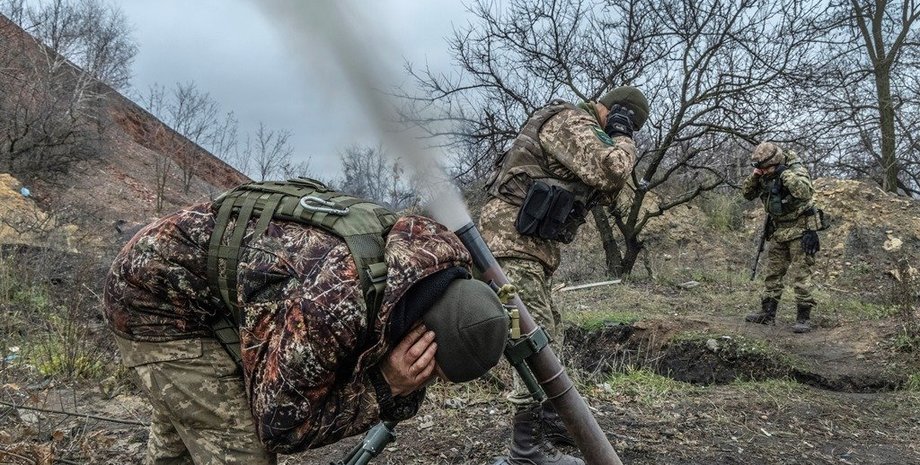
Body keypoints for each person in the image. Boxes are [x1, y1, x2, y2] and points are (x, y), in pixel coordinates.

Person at [103, 181, 510, 465]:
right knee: (240, 450)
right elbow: (280, 425)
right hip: (155, 300)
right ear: (423, 335)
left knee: (191, 430)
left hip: (202, 282)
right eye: (432, 369)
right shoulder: (335, 306)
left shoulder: (433, 259)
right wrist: (383, 387)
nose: (427, 379)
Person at [479, 86, 645, 465]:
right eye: (627, 121)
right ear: (615, 110)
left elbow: (608, 191)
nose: (625, 130)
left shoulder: (584, 133)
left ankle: (552, 425)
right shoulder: (570, 120)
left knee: (551, 330)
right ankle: (526, 453)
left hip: (529, 247)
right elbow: (612, 170)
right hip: (510, 243)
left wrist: (617, 142)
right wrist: (621, 139)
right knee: (535, 341)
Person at [742, 141, 822, 333]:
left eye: (767, 168)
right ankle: (767, 313)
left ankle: (804, 318)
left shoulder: (795, 169)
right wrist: (756, 176)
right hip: (778, 230)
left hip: (800, 229)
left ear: (776, 162)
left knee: (802, 274)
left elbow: (804, 192)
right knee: (773, 273)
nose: (765, 171)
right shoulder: (763, 173)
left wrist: (783, 174)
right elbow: (747, 194)